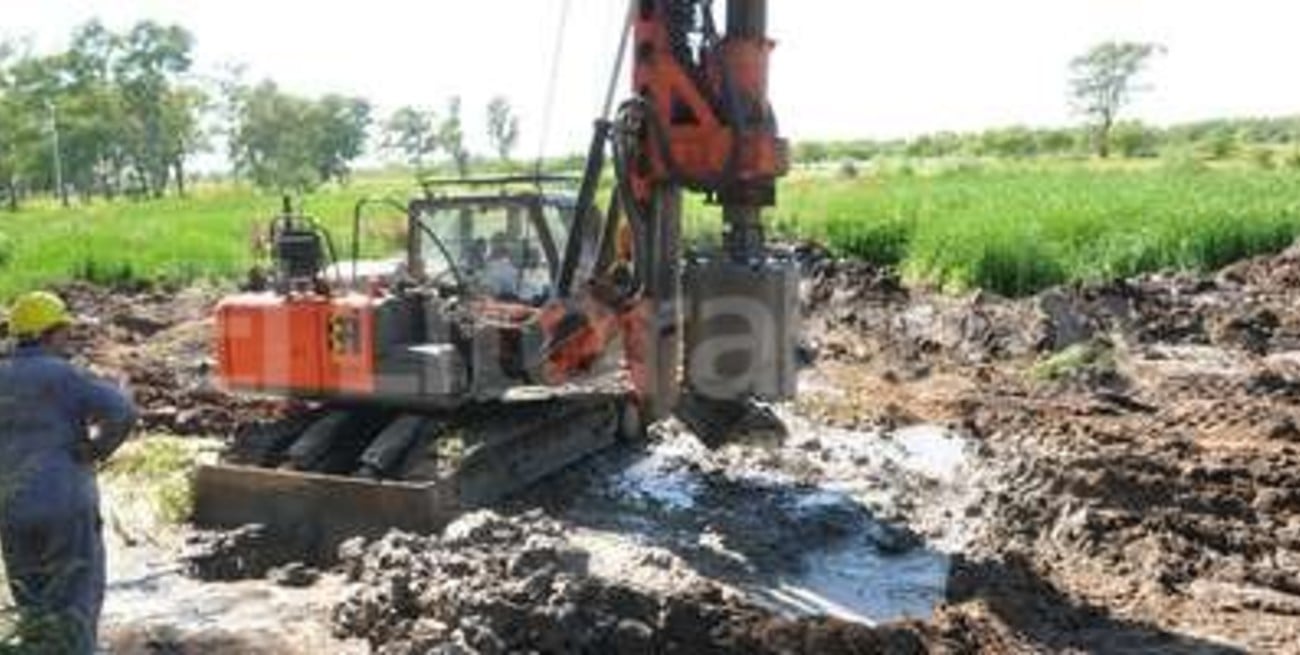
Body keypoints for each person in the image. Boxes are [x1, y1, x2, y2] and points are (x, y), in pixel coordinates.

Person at [0, 291, 137, 654]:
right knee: (75, 600)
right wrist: (97, 449)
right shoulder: (63, 373)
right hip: (64, 503)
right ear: (51, 332)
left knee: (32, 603)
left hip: (11, 507)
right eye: (64, 331)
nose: (68, 338)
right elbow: (122, 411)